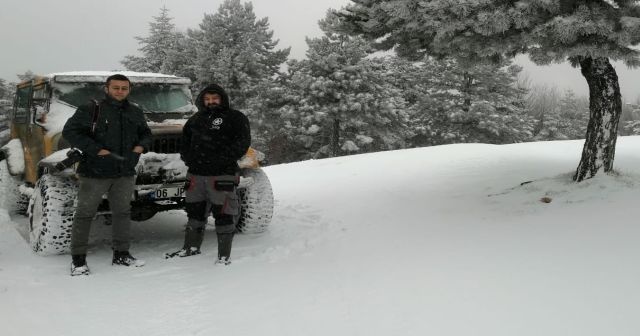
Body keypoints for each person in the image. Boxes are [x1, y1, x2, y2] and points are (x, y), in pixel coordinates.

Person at [62, 74, 152, 276]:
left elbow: (146, 133)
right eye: (116, 87)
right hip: (95, 172)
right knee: (85, 214)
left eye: (124, 88)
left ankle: (121, 254)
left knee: (122, 213)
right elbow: (70, 132)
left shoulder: (135, 111)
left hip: (125, 172)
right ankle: (78, 260)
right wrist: (96, 149)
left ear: (129, 90)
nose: (120, 91)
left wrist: (140, 147)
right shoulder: (91, 109)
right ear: (107, 89)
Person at [165, 83, 251, 265]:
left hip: (222, 175)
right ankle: (190, 248)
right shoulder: (195, 119)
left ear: (222, 99)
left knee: (224, 214)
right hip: (196, 176)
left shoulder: (235, 118)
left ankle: (223, 256)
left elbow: (242, 143)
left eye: (215, 98)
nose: (211, 102)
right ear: (202, 100)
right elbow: (185, 144)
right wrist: (189, 160)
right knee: (194, 213)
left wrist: (221, 160)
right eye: (207, 99)